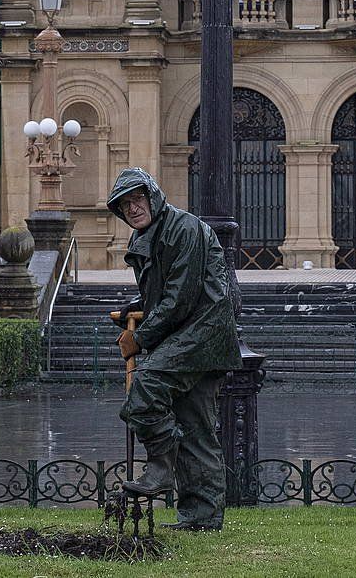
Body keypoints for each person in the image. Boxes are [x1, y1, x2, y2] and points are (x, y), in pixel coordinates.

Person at [107, 167, 242, 531]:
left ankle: (159, 470)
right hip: (189, 335)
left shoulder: (183, 229)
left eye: (137, 199)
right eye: (125, 205)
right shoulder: (152, 234)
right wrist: (133, 310)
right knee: (195, 429)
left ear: (152, 197)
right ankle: (201, 518)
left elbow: (180, 298)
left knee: (146, 388)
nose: (133, 208)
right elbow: (165, 294)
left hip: (202, 333)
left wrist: (141, 337)